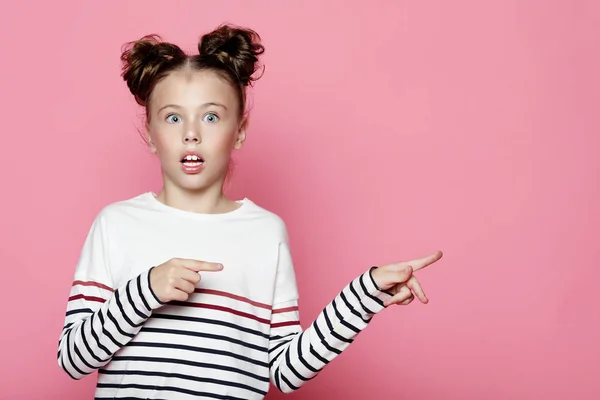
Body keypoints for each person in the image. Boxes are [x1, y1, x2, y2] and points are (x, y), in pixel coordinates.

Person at [57, 23, 443, 399]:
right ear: (151, 134)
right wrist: (146, 290)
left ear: (239, 130)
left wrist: (365, 294)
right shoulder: (117, 225)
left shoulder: (264, 232)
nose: (191, 132)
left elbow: (286, 371)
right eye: (173, 117)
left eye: (210, 117)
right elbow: (73, 359)